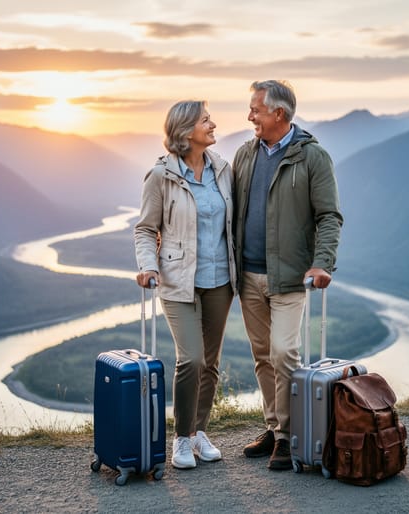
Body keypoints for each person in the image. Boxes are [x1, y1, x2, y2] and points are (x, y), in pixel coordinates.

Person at [232, 80, 343, 470]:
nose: (250, 117)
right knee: (262, 356)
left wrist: (323, 262)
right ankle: (274, 426)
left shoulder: (313, 158)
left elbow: (329, 216)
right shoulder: (245, 155)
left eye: (256, 110)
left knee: (284, 352)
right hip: (248, 276)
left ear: (279, 114)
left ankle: (288, 434)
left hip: (290, 277)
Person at [134, 100, 236, 470]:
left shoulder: (223, 170)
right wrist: (148, 266)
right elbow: (146, 228)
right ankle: (180, 438)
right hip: (178, 281)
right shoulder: (160, 176)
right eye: (205, 120)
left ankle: (200, 432)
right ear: (184, 131)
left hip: (220, 280)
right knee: (190, 359)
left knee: (210, 363)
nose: (213, 124)